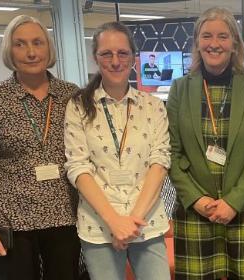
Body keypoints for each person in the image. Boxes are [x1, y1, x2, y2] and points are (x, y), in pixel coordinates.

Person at [0, 15, 80, 280]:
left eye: (37, 43)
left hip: (64, 215)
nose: (31, 52)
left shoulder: (71, 95)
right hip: (12, 220)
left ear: (48, 48)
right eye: (20, 44)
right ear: (9, 50)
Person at [167, 7, 244, 280]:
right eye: (207, 36)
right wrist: (196, 199)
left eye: (223, 36)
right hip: (196, 210)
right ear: (197, 42)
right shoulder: (179, 89)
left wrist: (233, 201)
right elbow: (171, 152)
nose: (214, 43)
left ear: (235, 43)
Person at [64, 21, 171, 280]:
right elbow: (78, 167)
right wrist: (114, 221)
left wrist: (132, 221)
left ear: (133, 58)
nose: (115, 61)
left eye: (122, 53)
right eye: (106, 54)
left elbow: (160, 161)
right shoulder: (78, 106)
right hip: (99, 226)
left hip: (145, 223)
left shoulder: (153, 106)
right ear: (95, 58)